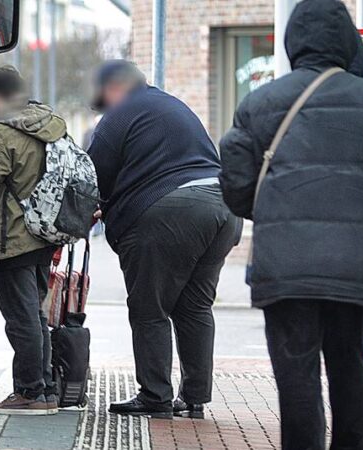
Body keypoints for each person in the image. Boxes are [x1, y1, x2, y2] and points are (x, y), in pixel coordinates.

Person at [219, 0, 363, 448]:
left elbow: (235, 185)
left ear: (293, 42)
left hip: (286, 267)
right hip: (357, 265)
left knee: (296, 375)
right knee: (349, 367)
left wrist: (277, 213)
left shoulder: (260, 103)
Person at [87, 60, 242, 419]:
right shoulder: (173, 105)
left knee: (149, 307)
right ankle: (194, 396)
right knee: (194, 307)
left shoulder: (120, 112)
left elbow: (92, 175)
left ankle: (155, 396)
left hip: (171, 212)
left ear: (113, 88)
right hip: (222, 207)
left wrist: (86, 213)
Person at [0, 66, 63, 416]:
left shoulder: (2, 136)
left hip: (11, 237)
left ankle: (30, 391)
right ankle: (45, 389)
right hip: (43, 235)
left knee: (21, 318)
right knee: (35, 315)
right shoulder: (49, 125)